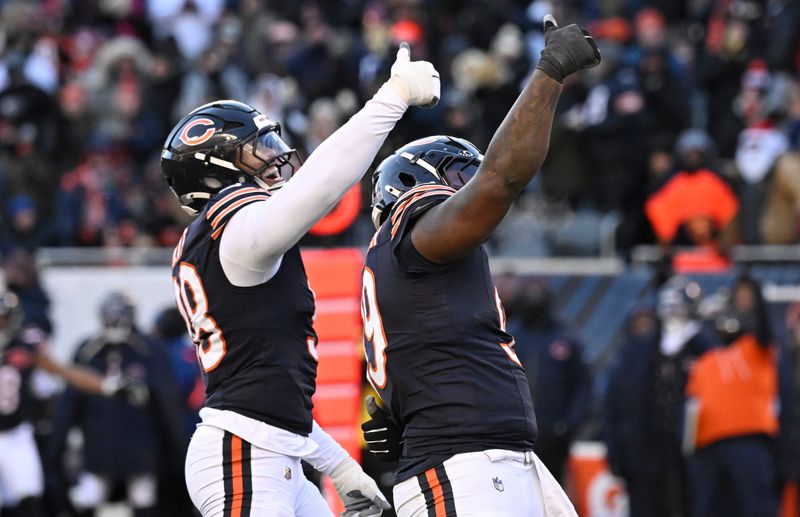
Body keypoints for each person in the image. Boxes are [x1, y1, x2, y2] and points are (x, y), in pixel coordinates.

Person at [163, 41, 440, 516]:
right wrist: (390, 98)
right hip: (243, 455)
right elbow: (322, 185)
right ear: (215, 169)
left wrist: (339, 465)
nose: (275, 158)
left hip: (265, 450)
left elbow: (267, 393)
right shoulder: (232, 226)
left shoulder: (216, 240)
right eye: (257, 150)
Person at [359, 15, 600, 517]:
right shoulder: (414, 230)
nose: (470, 182)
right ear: (417, 185)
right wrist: (550, 72)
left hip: (483, 461)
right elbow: (500, 179)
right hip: (464, 467)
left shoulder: (406, 261)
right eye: (458, 173)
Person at [47, 291, 184, 517]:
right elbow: (69, 403)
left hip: (140, 446)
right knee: (90, 494)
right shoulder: (89, 351)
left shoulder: (150, 351)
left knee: (143, 495)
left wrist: (177, 455)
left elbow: (167, 405)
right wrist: (56, 450)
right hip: (99, 445)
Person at [0, 286, 128, 517]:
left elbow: (64, 371)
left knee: (29, 499)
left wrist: (107, 385)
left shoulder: (24, 346)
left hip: (15, 432)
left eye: (2, 318)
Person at [604, 276, 711, 517]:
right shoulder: (637, 355)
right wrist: (617, 451)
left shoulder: (702, 348)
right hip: (645, 454)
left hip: (692, 453)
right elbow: (616, 406)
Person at [684, 276, 781, 517]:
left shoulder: (755, 349)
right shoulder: (707, 359)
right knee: (709, 509)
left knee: (757, 507)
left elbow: (764, 325)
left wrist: (751, 289)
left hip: (748, 440)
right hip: (708, 447)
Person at [508, 279, 592, 484]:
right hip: (515, 436)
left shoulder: (565, 337)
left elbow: (582, 386)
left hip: (554, 436)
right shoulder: (510, 337)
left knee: (553, 497)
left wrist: (569, 425)